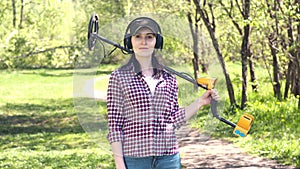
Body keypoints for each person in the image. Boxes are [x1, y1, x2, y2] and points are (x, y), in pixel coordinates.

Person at [107, 17, 218, 169]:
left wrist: (200, 102)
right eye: (138, 37)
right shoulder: (119, 77)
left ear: (157, 42)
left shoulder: (168, 77)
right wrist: (120, 164)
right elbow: (115, 125)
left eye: (149, 37)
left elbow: (173, 119)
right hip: (135, 158)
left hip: (168, 157)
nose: (143, 42)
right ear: (129, 41)